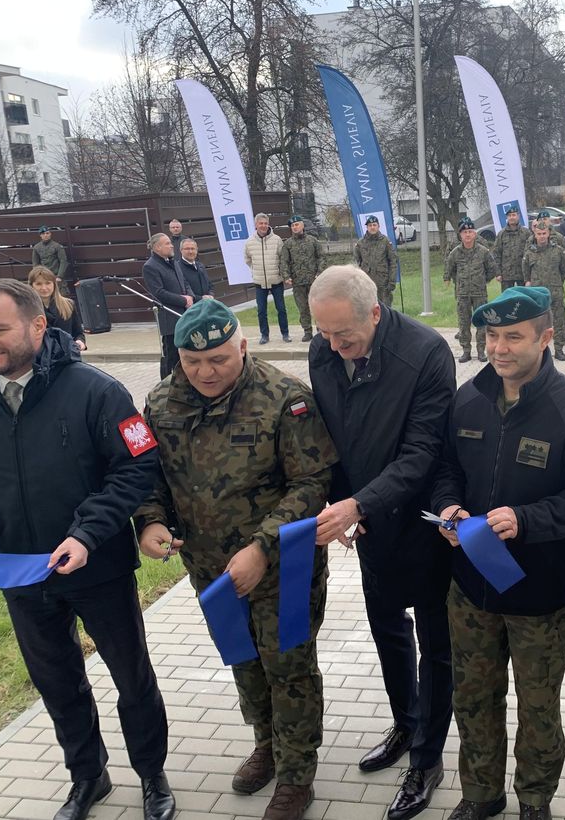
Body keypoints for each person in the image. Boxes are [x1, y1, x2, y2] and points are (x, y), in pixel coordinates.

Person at [0, 279, 175, 820]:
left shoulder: (98, 391)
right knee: (58, 682)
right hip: (21, 574)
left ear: (38, 326)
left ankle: (152, 775)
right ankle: (88, 777)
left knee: (132, 679)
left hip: (97, 566)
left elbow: (138, 466)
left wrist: (86, 533)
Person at [135, 299, 336, 820]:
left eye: (219, 359)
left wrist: (261, 547)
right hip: (208, 569)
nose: (205, 372)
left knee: (287, 664)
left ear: (242, 346)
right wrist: (150, 521)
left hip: (280, 566)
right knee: (244, 659)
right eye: (193, 361)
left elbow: (313, 483)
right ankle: (267, 743)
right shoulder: (160, 403)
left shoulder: (285, 399)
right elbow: (147, 479)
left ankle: (296, 775)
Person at [431, 285, 565, 820]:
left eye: (513, 336)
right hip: (469, 589)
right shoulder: (467, 399)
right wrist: (447, 507)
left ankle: (535, 800)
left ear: (546, 337)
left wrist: (527, 520)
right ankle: (481, 794)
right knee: (473, 699)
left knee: (538, 707)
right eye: (492, 336)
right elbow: (445, 468)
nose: (499, 348)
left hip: (537, 592)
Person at [308, 265, 456, 820]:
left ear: (375, 312)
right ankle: (405, 722)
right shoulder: (325, 350)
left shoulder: (425, 353)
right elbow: (334, 434)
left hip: (423, 519)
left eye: (343, 334)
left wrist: (359, 502)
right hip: (369, 523)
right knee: (387, 625)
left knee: (436, 644)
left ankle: (427, 757)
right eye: (323, 332)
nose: (333, 345)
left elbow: (423, 452)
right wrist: (344, 503)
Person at [445, 217, 497, 363]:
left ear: (474, 234)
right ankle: (466, 351)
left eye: (470, 231)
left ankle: (481, 351)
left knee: (481, 322)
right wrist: (458, 280)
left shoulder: (483, 252)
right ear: (460, 235)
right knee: (464, 323)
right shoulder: (455, 253)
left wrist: (483, 280)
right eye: (464, 232)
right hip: (463, 294)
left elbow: (492, 269)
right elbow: (449, 269)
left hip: (479, 293)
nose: (467, 235)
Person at [142, 233, 192, 379]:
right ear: (157, 247)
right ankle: (168, 383)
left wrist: (190, 297)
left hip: (184, 314)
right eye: (167, 243)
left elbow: (185, 283)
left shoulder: (173, 262)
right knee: (171, 354)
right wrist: (183, 300)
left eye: (171, 243)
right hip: (169, 317)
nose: (171, 246)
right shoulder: (150, 266)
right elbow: (159, 293)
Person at [522, 222, 565, 361]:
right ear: (535, 234)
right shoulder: (529, 253)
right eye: (539, 234)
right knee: (538, 324)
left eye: (544, 234)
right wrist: (529, 283)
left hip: (555, 292)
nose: (542, 236)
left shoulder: (559, 250)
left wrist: (557, 281)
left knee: (559, 321)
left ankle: (559, 349)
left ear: (549, 234)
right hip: (537, 294)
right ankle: (539, 350)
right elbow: (526, 272)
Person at [245, 213, 291, 345]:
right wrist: (256, 270)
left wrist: (281, 273)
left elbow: (283, 258)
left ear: (268, 224)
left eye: (265, 223)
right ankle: (264, 335)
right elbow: (247, 260)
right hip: (260, 282)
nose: (263, 226)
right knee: (261, 311)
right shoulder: (249, 242)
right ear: (256, 225)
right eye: (261, 223)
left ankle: (285, 333)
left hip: (276, 280)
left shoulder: (276, 240)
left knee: (281, 309)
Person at [279, 215, 325, 342]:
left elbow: (321, 257)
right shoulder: (288, 244)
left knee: (317, 307)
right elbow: (284, 261)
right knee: (302, 308)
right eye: (292, 225)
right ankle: (307, 331)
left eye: (297, 224)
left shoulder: (312, 241)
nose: (295, 227)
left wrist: (319, 272)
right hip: (298, 281)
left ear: (302, 225)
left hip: (313, 281)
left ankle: (321, 330)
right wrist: (286, 276)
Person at [29, 266, 86, 351]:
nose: (44, 288)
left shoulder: (69, 304)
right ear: (31, 286)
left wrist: (80, 342)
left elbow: (78, 333)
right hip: (39, 358)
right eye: (38, 284)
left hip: (67, 356)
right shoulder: (25, 309)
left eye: (48, 283)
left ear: (54, 284)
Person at [355, 215, 398, 306]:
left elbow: (393, 262)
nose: (372, 227)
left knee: (385, 309)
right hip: (366, 281)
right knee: (367, 308)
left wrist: (392, 281)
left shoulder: (385, 241)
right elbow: (357, 262)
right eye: (370, 225)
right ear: (367, 227)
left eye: (374, 225)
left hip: (383, 282)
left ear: (378, 226)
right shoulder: (360, 243)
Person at [492, 205, 530, 292]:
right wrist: (498, 273)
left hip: (523, 274)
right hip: (506, 275)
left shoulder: (526, 233)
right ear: (507, 217)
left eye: (514, 215)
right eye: (509, 216)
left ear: (518, 216)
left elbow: (531, 253)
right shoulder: (501, 234)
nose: (512, 217)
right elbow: (496, 253)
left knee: (525, 299)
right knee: (507, 300)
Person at [32, 225, 70, 291]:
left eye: (47, 233)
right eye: (43, 234)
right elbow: (35, 263)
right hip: (44, 276)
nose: (45, 235)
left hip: (56, 276)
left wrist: (59, 276)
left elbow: (63, 261)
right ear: (40, 235)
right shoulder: (37, 247)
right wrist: (37, 275)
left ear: (50, 234)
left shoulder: (57, 246)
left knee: (62, 296)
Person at [176, 238, 214, 302]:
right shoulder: (177, 268)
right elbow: (181, 291)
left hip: (207, 304)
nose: (190, 251)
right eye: (187, 249)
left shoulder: (200, 266)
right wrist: (200, 298)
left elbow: (210, 284)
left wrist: (211, 295)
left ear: (197, 250)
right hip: (192, 307)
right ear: (181, 250)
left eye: (193, 249)